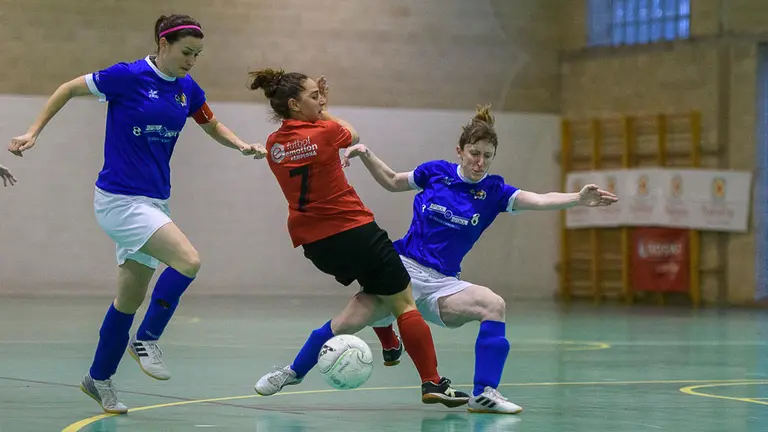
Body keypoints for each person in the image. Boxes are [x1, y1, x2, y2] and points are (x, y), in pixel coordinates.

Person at [7, 14, 266, 414]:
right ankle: (147, 338)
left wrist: (241, 144)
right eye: (186, 52)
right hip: (119, 201)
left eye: (197, 54)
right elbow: (67, 89)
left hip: (155, 201)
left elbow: (210, 124)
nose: (191, 60)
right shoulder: (126, 77)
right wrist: (33, 131)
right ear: (163, 44)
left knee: (127, 300)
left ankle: (98, 378)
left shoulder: (187, 89)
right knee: (188, 260)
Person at [341, 105, 618, 414]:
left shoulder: (494, 191)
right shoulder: (435, 172)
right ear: (460, 151)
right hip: (404, 267)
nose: (480, 162)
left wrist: (577, 199)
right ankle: (313, 364)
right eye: (474, 153)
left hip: (442, 283)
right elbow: (392, 180)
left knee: (493, 305)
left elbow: (539, 200)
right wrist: (365, 153)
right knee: (355, 306)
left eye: (487, 155)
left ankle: (483, 393)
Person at [248, 69, 469, 407]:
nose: (320, 101)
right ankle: (433, 382)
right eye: (312, 96)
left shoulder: (274, 146)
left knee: (364, 302)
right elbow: (353, 133)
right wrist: (323, 113)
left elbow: (308, 139)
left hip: (317, 247)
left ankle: (295, 371)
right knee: (403, 303)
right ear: (293, 104)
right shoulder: (326, 131)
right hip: (355, 232)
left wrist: (314, 108)